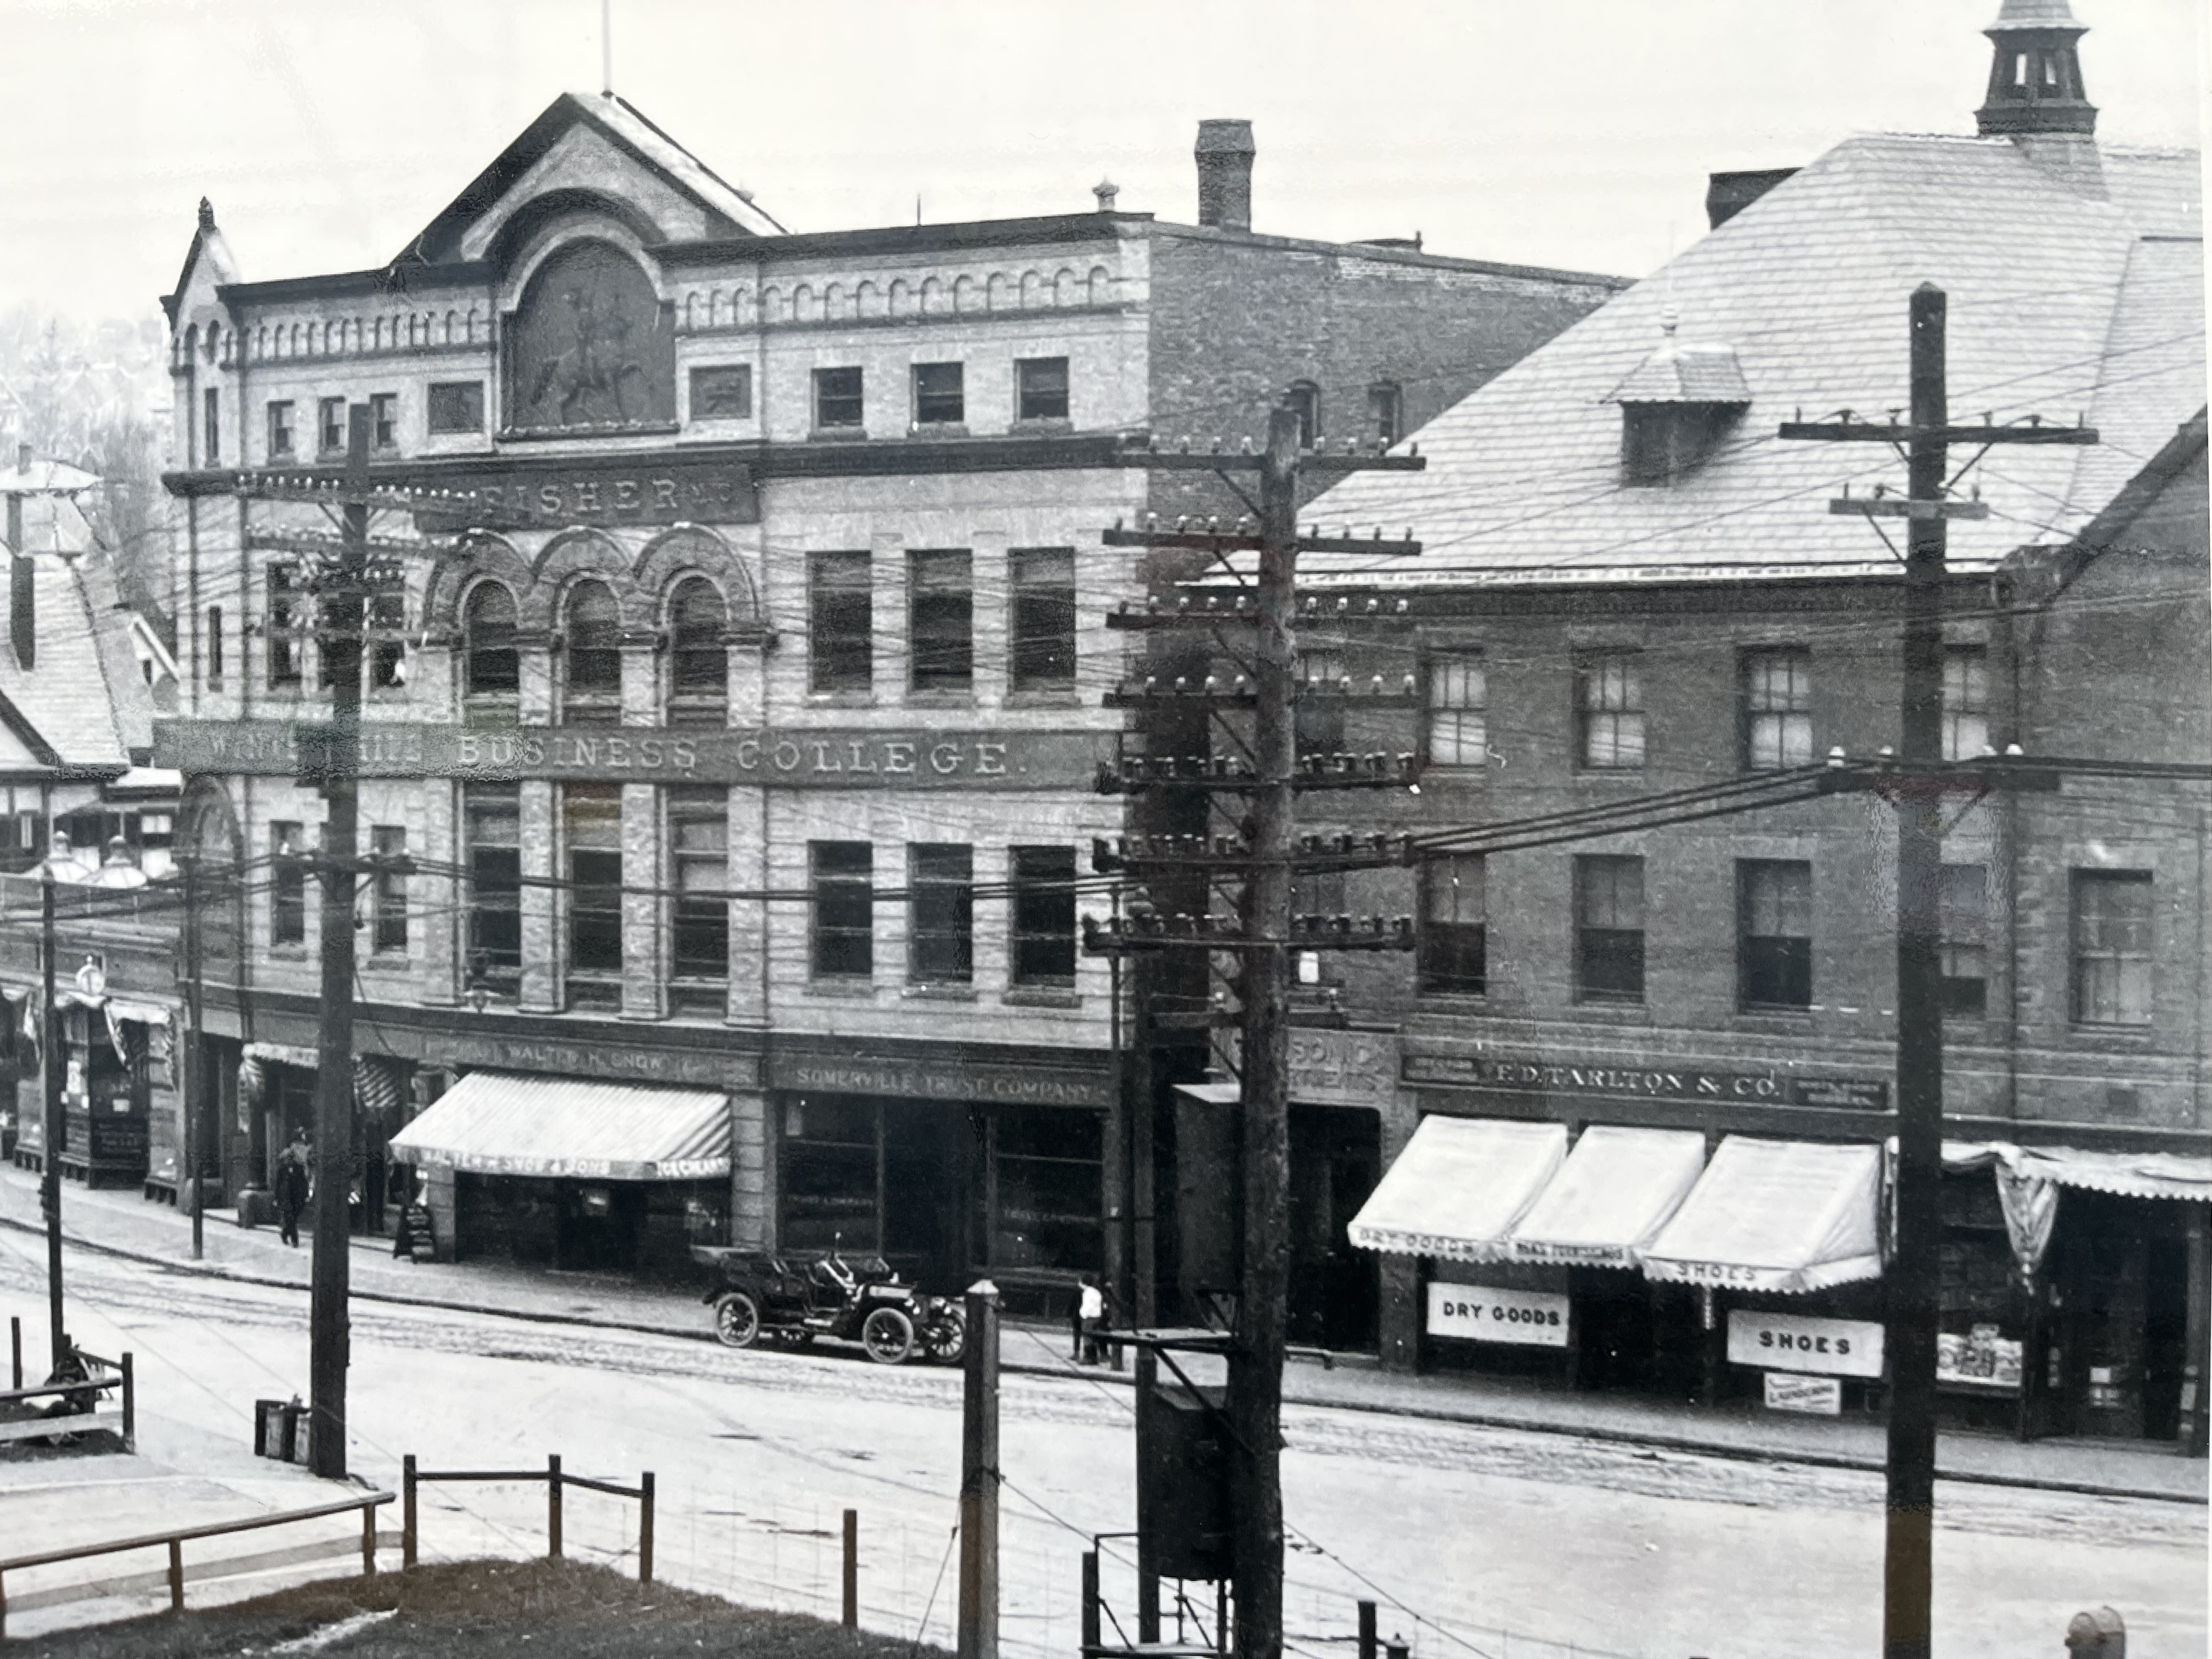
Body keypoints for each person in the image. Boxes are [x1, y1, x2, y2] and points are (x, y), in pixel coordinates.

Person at [274, 1130, 311, 1247]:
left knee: (295, 1215)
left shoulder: (299, 1168)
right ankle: (295, 1240)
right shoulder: (283, 1168)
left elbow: (304, 1181)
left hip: (297, 1194)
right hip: (286, 1195)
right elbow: (278, 1182)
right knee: (290, 1216)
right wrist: (277, 1197)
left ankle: (285, 1232)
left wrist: (306, 1194)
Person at [1078, 1273, 1108, 1366]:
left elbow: (1087, 1306)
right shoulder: (1096, 1292)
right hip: (1097, 1317)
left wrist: (1082, 1314)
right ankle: (1094, 1357)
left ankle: (1089, 1357)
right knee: (1094, 1337)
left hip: (1089, 1317)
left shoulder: (1087, 1293)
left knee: (1087, 1337)